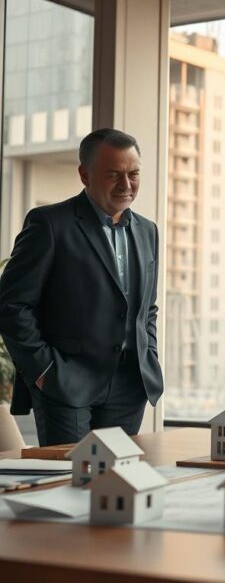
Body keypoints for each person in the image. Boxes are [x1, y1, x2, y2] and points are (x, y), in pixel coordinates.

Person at [0, 128, 164, 446]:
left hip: (130, 385)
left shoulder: (148, 231)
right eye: (113, 175)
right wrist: (44, 370)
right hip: (65, 382)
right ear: (84, 175)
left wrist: (149, 354)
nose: (126, 185)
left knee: (115, 481)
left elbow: (147, 308)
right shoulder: (49, 224)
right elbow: (12, 305)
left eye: (133, 174)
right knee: (67, 481)